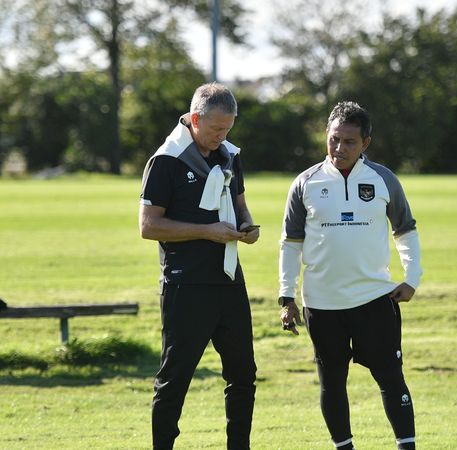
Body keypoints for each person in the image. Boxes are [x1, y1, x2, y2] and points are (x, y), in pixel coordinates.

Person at [278, 101, 422, 450]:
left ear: (366, 143)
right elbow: (290, 243)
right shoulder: (305, 183)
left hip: (374, 300)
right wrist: (286, 296)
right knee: (332, 384)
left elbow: (405, 229)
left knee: (391, 379)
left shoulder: (383, 179)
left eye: (349, 142)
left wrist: (412, 276)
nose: (339, 148)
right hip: (322, 304)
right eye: (334, 139)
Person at [139, 83, 260, 450]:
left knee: (243, 375)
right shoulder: (167, 160)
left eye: (227, 129)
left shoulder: (229, 154)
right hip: (185, 286)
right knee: (174, 379)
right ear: (194, 119)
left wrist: (247, 227)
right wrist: (207, 232)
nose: (221, 136)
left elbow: (240, 205)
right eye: (215, 129)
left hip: (228, 279)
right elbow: (148, 226)